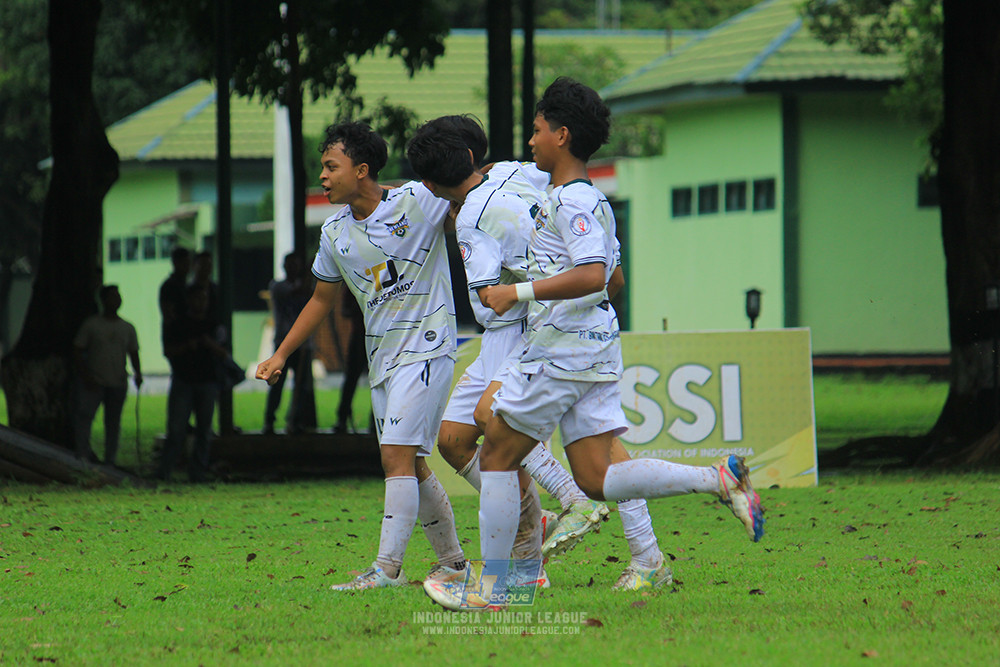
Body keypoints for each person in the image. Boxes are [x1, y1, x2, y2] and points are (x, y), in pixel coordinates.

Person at [423, 78, 765, 612]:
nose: (529, 141)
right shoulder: (576, 198)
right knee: (596, 476)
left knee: (496, 452)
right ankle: (717, 478)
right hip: (593, 348)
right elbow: (615, 281)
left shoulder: (572, 202)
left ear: (561, 135)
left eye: (536, 131)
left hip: (561, 349)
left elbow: (593, 275)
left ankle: (497, 589)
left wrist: (518, 290)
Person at [408, 115, 669, 591]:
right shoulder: (519, 170)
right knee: (453, 439)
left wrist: (527, 283)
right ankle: (538, 527)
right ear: (473, 156)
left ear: (429, 183)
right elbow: (583, 216)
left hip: (534, 325)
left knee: (515, 424)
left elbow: (491, 293)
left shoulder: (469, 218)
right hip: (516, 331)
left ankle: (585, 517)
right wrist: (609, 266)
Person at [256, 121, 467, 591]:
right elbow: (319, 301)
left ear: (363, 169)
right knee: (410, 465)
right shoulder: (334, 233)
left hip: (428, 348)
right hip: (384, 363)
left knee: (396, 459)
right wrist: (282, 354)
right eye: (322, 168)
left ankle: (386, 568)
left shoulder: (417, 199)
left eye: (332, 166)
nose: (324, 176)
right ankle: (453, 562)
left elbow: (468, 196)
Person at [158, 283, 228, 482]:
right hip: (183, 381)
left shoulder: (214, 324)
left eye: (204, 298)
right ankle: (165, 471)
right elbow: (169, 351)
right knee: (176, 430)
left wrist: (209, 344)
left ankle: (197, 472)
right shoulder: (178, 323)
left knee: (205, 431)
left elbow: (224, 353)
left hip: (207, 382)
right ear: (189, 300)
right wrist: (187, 347)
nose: (201, 302)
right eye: (197, 298)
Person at [72, 285, 142, 466]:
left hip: (117, 381)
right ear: (103, 301)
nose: (116, 300)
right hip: (94, 381)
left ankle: (110, 459)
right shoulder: (92, 325)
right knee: (85, 418)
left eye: (118, 296)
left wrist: (138, 373)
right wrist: (86, 375)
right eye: (112, 296)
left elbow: (133, 353)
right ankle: (82, 455)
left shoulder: (127, 327)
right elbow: (78, 350)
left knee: (113, 423)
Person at [264, 252, 316, 434]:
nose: (293, 268)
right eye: (290, 264)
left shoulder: (306, 287)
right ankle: (269, 421)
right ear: (284, 266)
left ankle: (295, 421)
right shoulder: (277, 286)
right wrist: (312, 271)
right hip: (283, 344)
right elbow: (299, 292)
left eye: (296, 264)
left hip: (304, 344)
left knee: (302, 386)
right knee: (277, 383)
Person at [333, 283, 371, 434]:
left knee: (382, 379)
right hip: (358, 337)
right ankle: (342, 418)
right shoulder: (353, 283)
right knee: (350, 380)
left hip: (378, 338)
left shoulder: (379, 279)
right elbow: (345, 310)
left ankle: (377, 422)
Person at [159, 247, 191, 329]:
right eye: (185, 263)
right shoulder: (170, 286)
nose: (188, 267)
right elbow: (169, 315)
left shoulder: (171, 285)